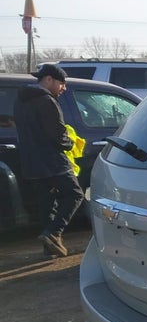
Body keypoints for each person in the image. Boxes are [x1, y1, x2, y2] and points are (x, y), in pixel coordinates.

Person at [13, 64, 84, 257]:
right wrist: (70, 143)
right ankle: (53, 232)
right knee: (75, 195)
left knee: (47, 203)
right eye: (62, 83)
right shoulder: (47, 101)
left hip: (31, 162)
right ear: (49, 80)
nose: (64, 88)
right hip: (53, 161)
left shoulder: (21, 100)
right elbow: (58, 135)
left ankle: (50, 249)